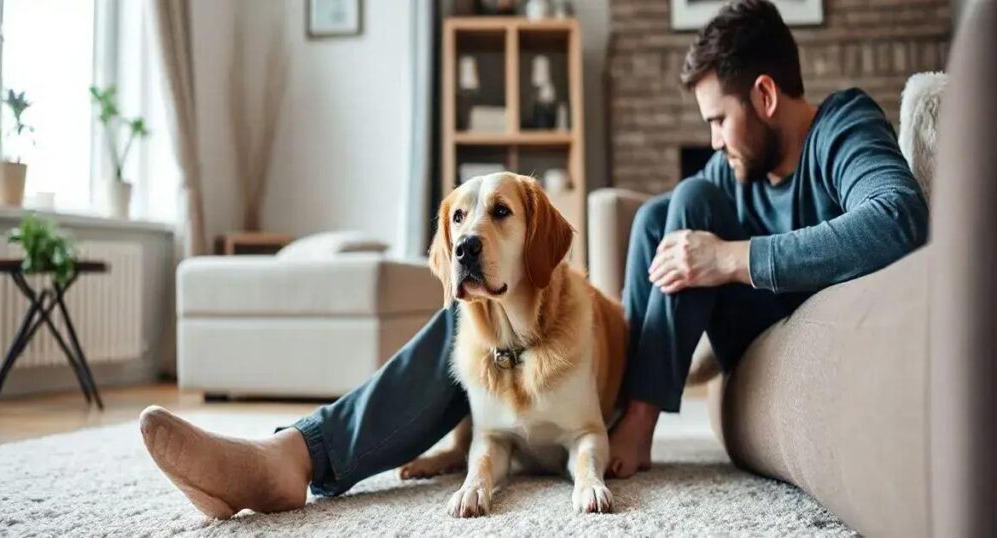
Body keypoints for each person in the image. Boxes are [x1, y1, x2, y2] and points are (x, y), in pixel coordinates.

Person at [139, 0, 928, 518]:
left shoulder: (842, 129)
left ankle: (304, 456)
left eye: (718, 121)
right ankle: (297, 455)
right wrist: (688, 250)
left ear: (762, 98)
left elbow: (898, 220)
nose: (716, 141)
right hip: (662, 341)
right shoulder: (730, 173)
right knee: (666, 211)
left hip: (776, 306)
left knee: (689, 222)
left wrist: (731, 257)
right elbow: (679, 224)